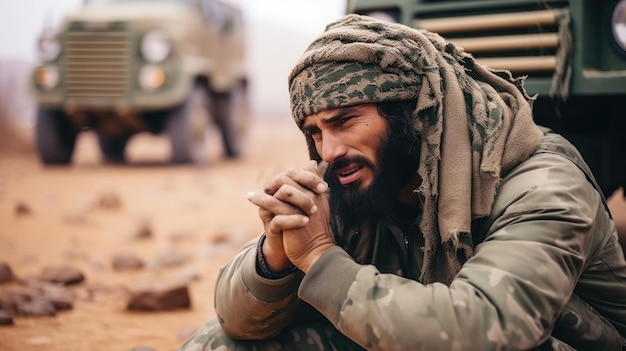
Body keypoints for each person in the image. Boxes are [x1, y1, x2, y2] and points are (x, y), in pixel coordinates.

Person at [180, 14, 626, 350]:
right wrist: (273, 259)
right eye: (316, 132)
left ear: (414, 113)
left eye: (346, 121)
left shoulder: (541, 182)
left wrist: (319, 259)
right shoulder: (354, 178)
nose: (328, 150)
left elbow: (489, 328)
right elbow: (237, 322)